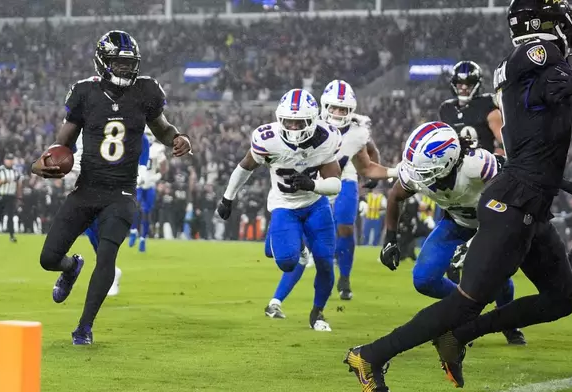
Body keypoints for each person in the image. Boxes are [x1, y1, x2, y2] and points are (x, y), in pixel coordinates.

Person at [344, 2, 572, 390]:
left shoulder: (534, 75)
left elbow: (570, 102)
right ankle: (371, 355)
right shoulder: (539, 63)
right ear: (550, 24)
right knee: (465, 301)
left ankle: (459, 336)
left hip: (530, 201)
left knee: (562, 297)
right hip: (514, 204)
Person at [31, 30, 192, 345]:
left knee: (106, 257)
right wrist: (40, 165)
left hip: (121, 193)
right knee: (48, 258)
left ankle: (84, 327)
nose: (124, 69)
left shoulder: (145, 91)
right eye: (118, 63)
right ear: (103, 62)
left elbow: (162, 128)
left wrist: (177, 138)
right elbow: (62, 143)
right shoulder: (84, 93)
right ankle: (71, 267)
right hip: (87, 187)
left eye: (128, 63)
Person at [260, 81, 397, 320]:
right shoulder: (310, 124)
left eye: (343, 109)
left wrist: (388, 172)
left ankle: (343, 278)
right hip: (307, 189)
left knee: (344, 227)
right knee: (296, 247)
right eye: (333, 108)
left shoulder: (357, 132)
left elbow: (369, 155)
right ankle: (278, 297)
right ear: (323, 107)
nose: (338, 113)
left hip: (343, 178)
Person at [380, 121, 525, 345]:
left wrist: (481, 241)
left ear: (446, 162)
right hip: (456, 223)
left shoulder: (476, 165)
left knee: (499, 278)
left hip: (492, 225)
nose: (416, 176)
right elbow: (395, 196)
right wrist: (390, 239)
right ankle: (467, 310)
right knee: (424, 279)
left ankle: (508, 323)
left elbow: (509, 198)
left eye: (424, 169)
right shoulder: (420, 173)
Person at [217, 88, 343, 331]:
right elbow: (245, 167)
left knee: (326, 262)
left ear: (312, 120)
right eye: (288, 122)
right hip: (284, 206)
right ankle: (299, 246)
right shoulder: (268, 138)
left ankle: (317, 314)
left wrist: (313, 184)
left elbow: (335, 184)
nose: (293, 128)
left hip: (315, 205)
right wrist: (227, 197)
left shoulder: (326, 138)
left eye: (299, 123)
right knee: (287, 261)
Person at [439, 61, 504, 154]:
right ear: (454, 84)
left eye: (469, 84)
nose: (464, 87)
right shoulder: (447, 109)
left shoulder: (486, 104)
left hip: (485, 164)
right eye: (460, 83)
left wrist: (496, 160)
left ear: (477, 84)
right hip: (458, 164)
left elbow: (505, 142)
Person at [129, 127, 166, 251]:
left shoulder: (158, 149)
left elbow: (164, 165)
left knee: (146, 212)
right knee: (135, 205)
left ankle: (143, 239)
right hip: (139, 182)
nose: (149, 136)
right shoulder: (137, 145)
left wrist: (159, 176)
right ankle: (134, 230)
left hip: (150, 183)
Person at [0, 153, 21, 242]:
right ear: (5, 160)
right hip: (1, 195)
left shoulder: (15, 171)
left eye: (11, 160)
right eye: (8, 160)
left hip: (11, 196)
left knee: (11, 216)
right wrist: (2, 181)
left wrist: (19, 196)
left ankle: (11, 235)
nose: (10, 162)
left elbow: (18, 184)